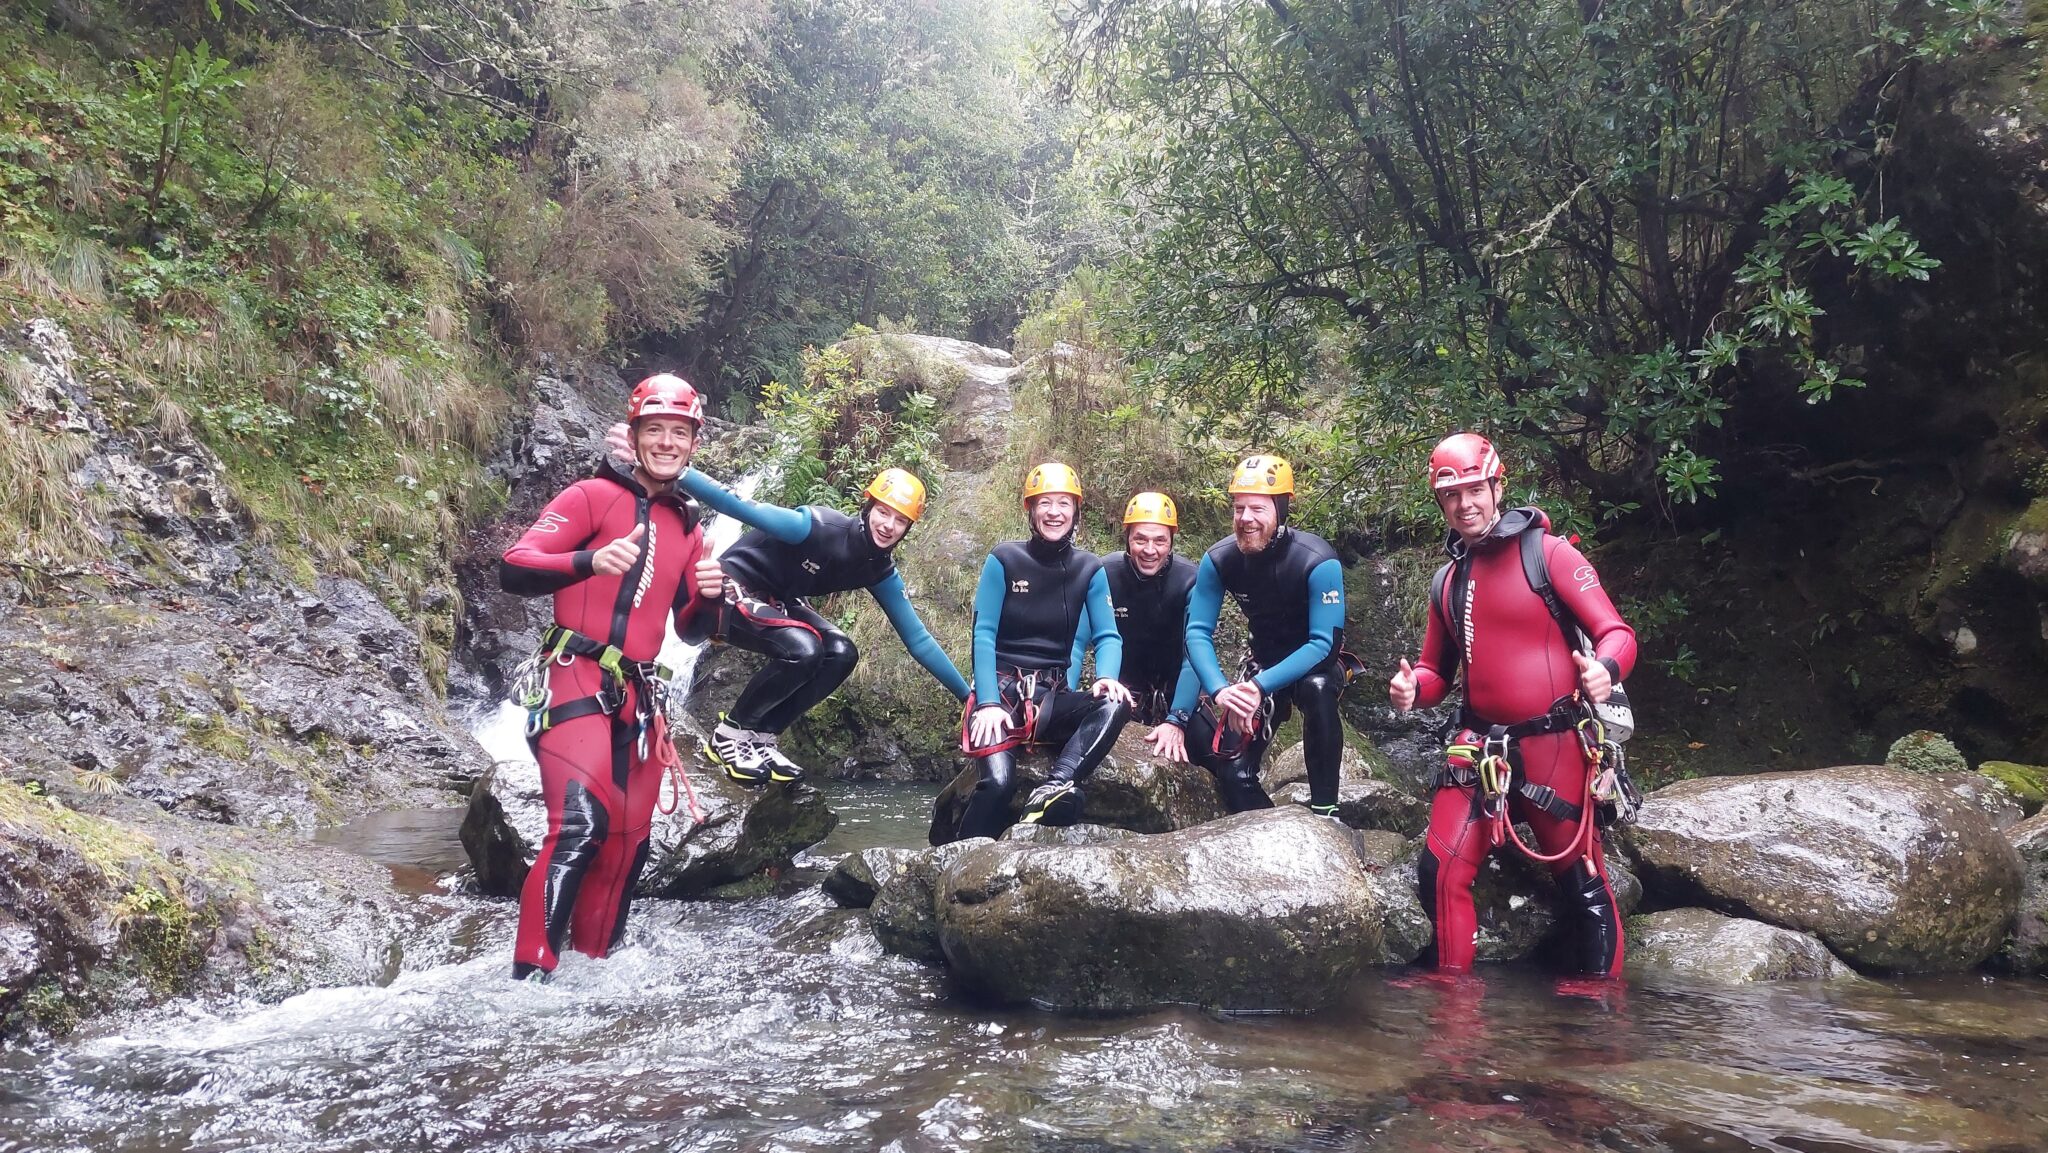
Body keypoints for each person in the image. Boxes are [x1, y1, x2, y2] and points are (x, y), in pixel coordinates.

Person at [498, 373, 725, 981]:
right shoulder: (590, 497)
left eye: (680, 433)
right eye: (656, 431)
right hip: (573, 673)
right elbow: (515, 567)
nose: (668, 443)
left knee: (628, 842)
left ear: (694, 444)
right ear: (635, 435)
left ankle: (594, 980)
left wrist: (710, 599)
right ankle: (528, 980)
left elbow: (692, 630)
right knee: (579, 825)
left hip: (641, 694)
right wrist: (588, 562)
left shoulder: (689, 527)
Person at [1388, 432, 1638, 977]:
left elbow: (1617, 632)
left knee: (1581, 876)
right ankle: (1452, 1007)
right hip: (1479, 745)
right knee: (1441, 872)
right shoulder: (1448, 580)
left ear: (1497, 486)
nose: (1465, 504)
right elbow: (1436, 673)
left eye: (1475, 490)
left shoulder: (1550, 554)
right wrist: (1413, 691)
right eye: (1451, 496)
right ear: (1441, 504)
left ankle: (1599, 1009)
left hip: (1554, 743)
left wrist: (1605, 670)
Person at [673, 465, 970, 784]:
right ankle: (729, 736)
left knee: (841, 653)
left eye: (900, 520)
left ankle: (761, 737)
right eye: (884, 512)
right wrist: (677, 471)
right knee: (805, 649)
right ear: (868, 507)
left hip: (777, 599)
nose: (889, 525)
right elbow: (737, 504)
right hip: (725, 587)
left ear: (908, 528)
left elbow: (918, 639)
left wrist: (967, 697)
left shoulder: (879, 569)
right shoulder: (815, 527)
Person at [953, 463, 1134, 838]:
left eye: (1064, 503)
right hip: (1001, 693)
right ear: (1031, 512)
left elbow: (1108, 635)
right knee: (998, 785)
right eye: (1045, 503)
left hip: (1051, 697)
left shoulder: (1089, 568)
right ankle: (955, 859)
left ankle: (1056, 785)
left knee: (1115, 704)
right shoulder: (1004, 559)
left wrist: (1106, 677)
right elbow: (983, 634)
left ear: (1076, 512)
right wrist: (986, 702)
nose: (1055, 512)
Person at [1183, 455, 1351, 815]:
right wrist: (1223, 691)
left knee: (1317, 689)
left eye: (1257, 509)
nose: (1245, 519)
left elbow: (1325, 644)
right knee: (1232, 772)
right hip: (1261, 666)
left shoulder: (1316, 559)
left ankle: (1326, 809)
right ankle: (1278, 828)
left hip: (1312, 665)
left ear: (1281, 510)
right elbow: (1196, 632)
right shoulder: (1220, 559)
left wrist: (1258, 688)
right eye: (1239, 508)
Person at [1070, 491, 1200, 762]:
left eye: (1160, 541)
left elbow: (1195, 655)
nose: (1150, 550)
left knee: (1218, 760)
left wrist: (1178, 719)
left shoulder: (1188, 580)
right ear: (1128, 539)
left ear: (1171, 542)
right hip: (1123, 694)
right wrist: (1067, 700)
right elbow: (1076, 643)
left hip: (1177, 693)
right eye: (1140, 539)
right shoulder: (1106, 573)